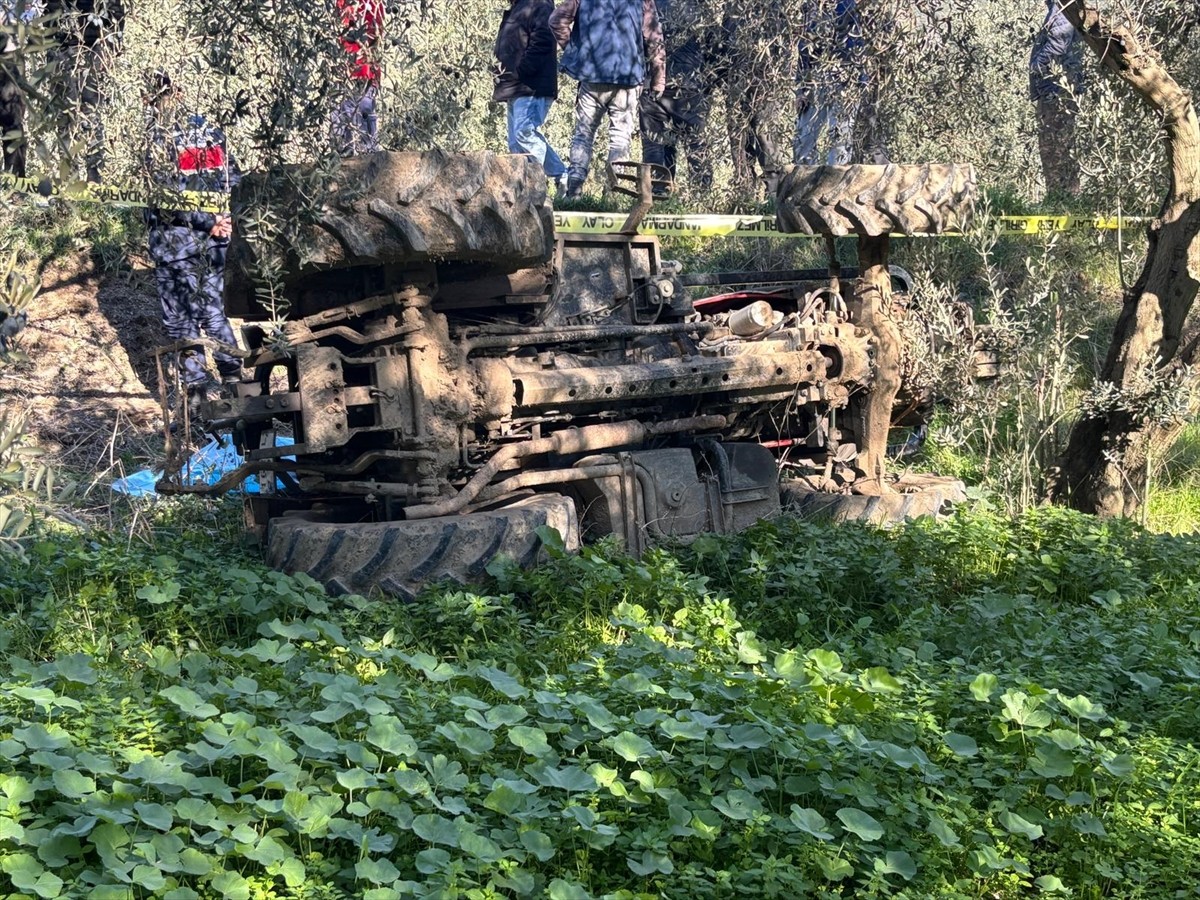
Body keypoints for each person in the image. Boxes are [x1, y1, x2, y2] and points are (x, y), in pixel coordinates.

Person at [143, 72, 243, 412]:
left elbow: (166, 197)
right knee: (210, 314)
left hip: (177, 244)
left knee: (185, 320)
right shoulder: (209, 131)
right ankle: (230, 387)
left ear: (150, 98)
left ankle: (200, 397)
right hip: (210, 242)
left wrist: (209, 221)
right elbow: (234, 179)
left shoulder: (157, 139)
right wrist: (225, 219)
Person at [549, 0, 666, 198]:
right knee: (620, 136)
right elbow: (654, 38)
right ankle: (614, 193)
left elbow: (556, 20)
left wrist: (577, 52)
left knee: (584, 133)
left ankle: (574, 190)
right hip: (628, 78)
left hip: (592, 76)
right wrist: (658, 79)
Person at [46, 0, 124, 182]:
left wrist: (112, 45)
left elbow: (115, 9)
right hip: (61, 48)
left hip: (92, 48)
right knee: (65, 116)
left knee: (91, 113)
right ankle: (69, 177)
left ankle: (94, 177)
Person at [638, 0, 711, 192]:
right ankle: (702, 195)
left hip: (652, 84)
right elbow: (714, 46)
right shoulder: (699, 6)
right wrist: (708, 84)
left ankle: (657, 195)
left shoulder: (648, 4)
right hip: (689, 85)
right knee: (696, 144)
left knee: (654, 145)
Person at [493, 0, 566, 189]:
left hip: (532, 84)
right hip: (515, 84)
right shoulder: (519, 5)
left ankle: (535, 187)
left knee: (524, 133)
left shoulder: (539, 4)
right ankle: (559, 177)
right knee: (516, 143)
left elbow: (544, 40)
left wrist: (521, 70)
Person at [1029, 0, 1083, 197]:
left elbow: (1058, 43)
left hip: (1057, 90)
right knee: (1057, 147)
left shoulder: (1063, 7)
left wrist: (1035, 67)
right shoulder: (1063, 7)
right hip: (1058, 89)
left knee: (1055, 148)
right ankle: (1063, 199)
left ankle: (1062, 200)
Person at [334, 0, 383, 155]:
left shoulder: (371, 4)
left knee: (366, 143)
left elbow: (376, 35)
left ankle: (367, 156)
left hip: (363, 75)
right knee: (342, 133)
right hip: (345, 75)